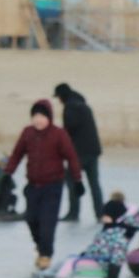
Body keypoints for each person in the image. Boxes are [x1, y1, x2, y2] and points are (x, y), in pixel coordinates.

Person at [3, 99, 84, 271]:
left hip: (52, 186)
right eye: (35, 116)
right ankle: (41, 247)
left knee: (48, 222)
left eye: (42, 116)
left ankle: (46, 255)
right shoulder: (27, 133)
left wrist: (77, 180)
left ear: (49, 118)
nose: (38, 120)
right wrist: (7, 174)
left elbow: (71, 157)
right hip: (33, 186)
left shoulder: (58, 134)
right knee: (32, 219)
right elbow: (17, 154)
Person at [42, 196, 139, 278]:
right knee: (66, 260)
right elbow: (96, 247)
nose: (103, 217)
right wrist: (85, 254)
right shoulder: (108, 231)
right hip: (95, 259)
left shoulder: (118, 235)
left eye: (106, 215)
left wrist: (112, 274)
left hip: (101, 263)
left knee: (70, 262)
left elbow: (117, 256)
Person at [54, 84, 105, 223]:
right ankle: (100, 213)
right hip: (93, 151)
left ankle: (73, 212)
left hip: (79, 153)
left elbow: (68, 131)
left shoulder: (70, 108)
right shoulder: (84, 106)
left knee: (72, 181)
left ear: (62, 96)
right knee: (94, 183)